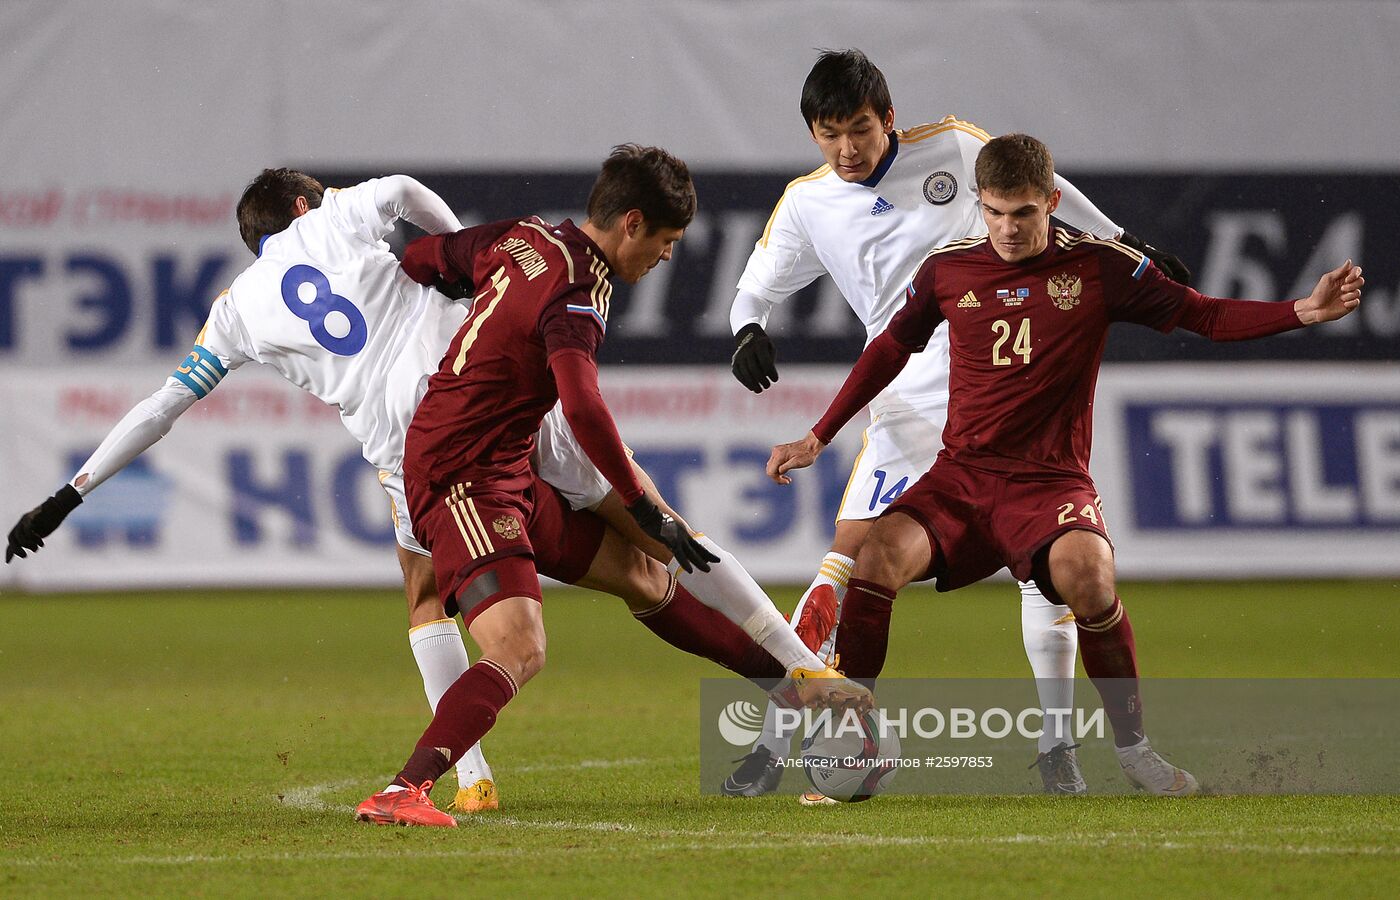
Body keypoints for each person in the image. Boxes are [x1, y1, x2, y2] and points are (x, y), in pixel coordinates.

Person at [4, 166, 853, 817]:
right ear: (303, 205)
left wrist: (71, 492)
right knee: (652, 533)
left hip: (410, 451)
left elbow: (163, 407)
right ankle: (800, 664)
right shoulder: (336, 214)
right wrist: (478, 267)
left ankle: (474, 780)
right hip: (482, 396)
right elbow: (409, 196)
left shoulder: (232, 312)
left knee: (425, 598)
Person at [766, 132, 1363, 797]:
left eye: (1023, 213)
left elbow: (1204, 314)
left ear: (1052, 202)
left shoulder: (1102, 268)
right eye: (994, 212)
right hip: (962, 478)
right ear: (978, 203)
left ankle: (1135, 753)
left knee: (1089, 577)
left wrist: (1304, 310)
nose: (1008, 228)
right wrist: (820, 434)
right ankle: (855, 744)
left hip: (1048, 483)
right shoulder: (949, 268)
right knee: (874, 558)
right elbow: (889, 350)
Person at [724, 49, 1191, 800]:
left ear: (890, 118)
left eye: (860, 130)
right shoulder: (807, 204)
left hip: (1011, 385)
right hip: (906, 404)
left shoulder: (954, 148)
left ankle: (1056, 749)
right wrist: (747, 329)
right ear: (813, 133)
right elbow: (752, 288)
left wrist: (1124, 239)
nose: (847, 149)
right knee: (839, 575)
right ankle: (782, 746)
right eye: (828, 133)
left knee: (1050, 576)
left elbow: (1045, 190)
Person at [354, 145, 867, 828]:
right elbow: (584, 405)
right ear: (631, 223)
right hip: (464, 476)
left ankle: (793, 689)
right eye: (664, 242)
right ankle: (402, 790)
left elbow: (427, 260)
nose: (664, 257)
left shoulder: (526, 237)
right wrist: (635, 502)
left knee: (646, 574)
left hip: (509, 462)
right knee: (521, 647)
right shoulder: (578, 290)